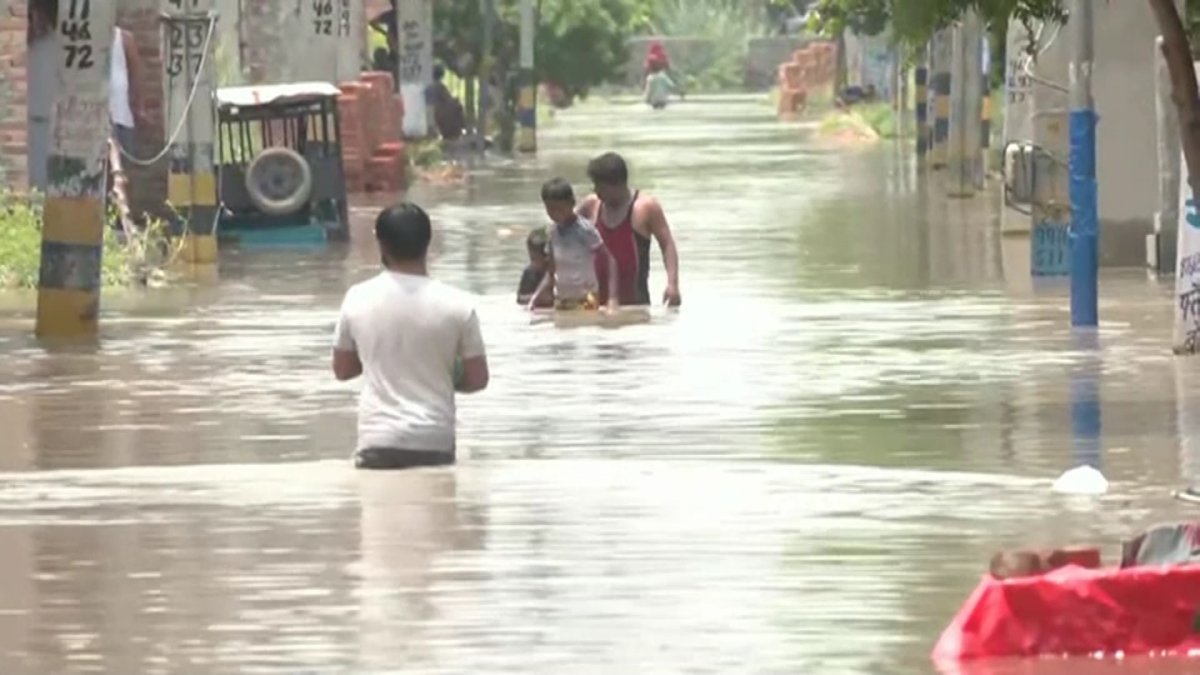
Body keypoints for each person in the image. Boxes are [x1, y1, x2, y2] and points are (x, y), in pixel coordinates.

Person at [332, 203, 489, 470]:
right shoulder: (459, 304)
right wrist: (440, 369)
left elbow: (343, 369)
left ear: (381, 244)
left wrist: (378, 357)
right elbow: (477, 379)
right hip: (434, 440)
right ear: (428, 243)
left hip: (377, 440)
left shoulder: (357, 298)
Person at [577, 153, 682, 307]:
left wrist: (672, 284)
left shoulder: (645, 207)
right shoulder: (591, 205)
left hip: (635, 305)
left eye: (600, 186)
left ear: (617, 184)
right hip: (595, 303)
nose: (596, 191)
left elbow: (667, 244)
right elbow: (563, 227)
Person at [528, 179, 620, 312]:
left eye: (560, 209)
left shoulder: (585, 230)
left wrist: (612, 299)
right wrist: (535, 298)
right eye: (550, 209)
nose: (555, 214)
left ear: (571, 204)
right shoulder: (552, 233)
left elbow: (610, 261)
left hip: (587, 300)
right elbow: (551, 273)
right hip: (561, 300)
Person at [517, 228, 554, 308]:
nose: (533, 263)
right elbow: (520, 298)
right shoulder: (530, 272)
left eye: (534, 258)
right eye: (531, 258)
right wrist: (539, 298)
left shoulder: (560, 271)